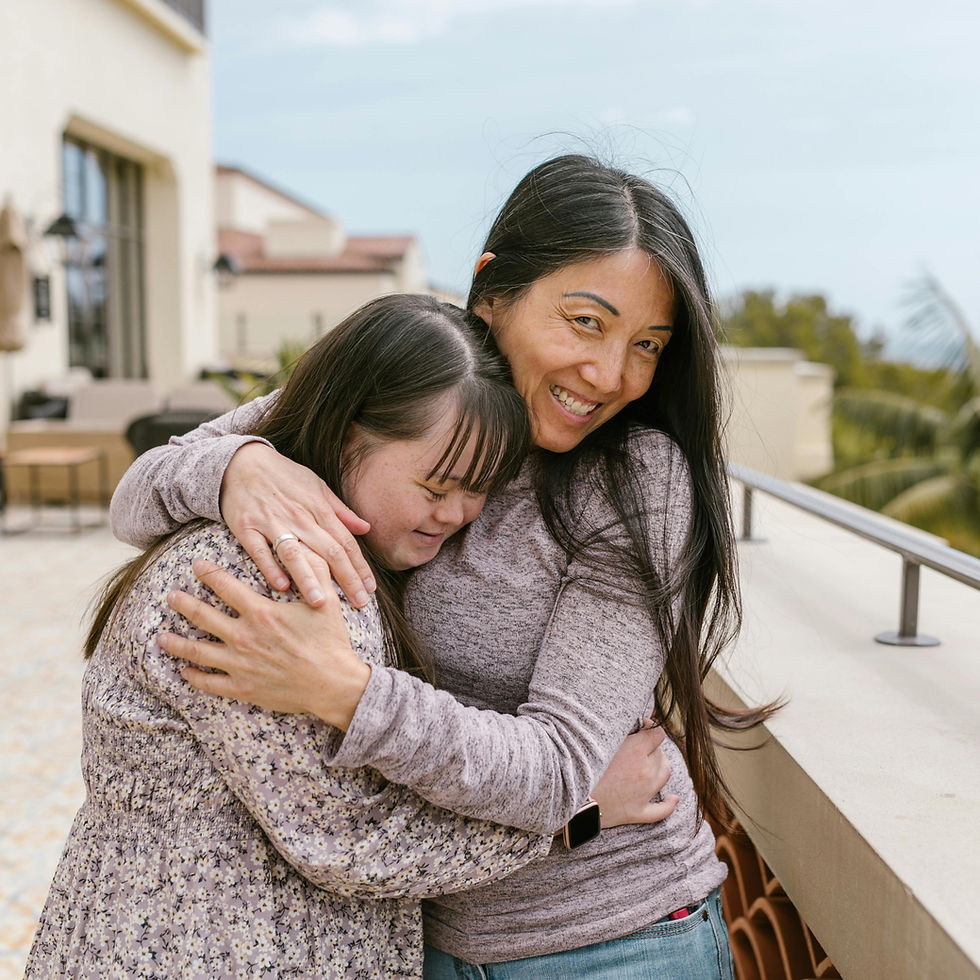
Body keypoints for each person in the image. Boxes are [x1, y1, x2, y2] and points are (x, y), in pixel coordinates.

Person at [111, 154, 778, 978]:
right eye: (584, 322)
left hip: (612, 940)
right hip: (420, 937)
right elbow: (134, 500)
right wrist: (239, 465)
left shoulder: (636, 481)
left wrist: (345, 693)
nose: (609, 375)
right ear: (492, 290)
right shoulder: (419, 385)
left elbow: (560, 769)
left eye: (646, 345)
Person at [27, 293, 677, 979]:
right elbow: (349, 839)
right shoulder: (270, 577)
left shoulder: (324, 540)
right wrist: (587, 810)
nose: (457, 514)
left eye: (480, 489)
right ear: (344, 437)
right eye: (437, 485)